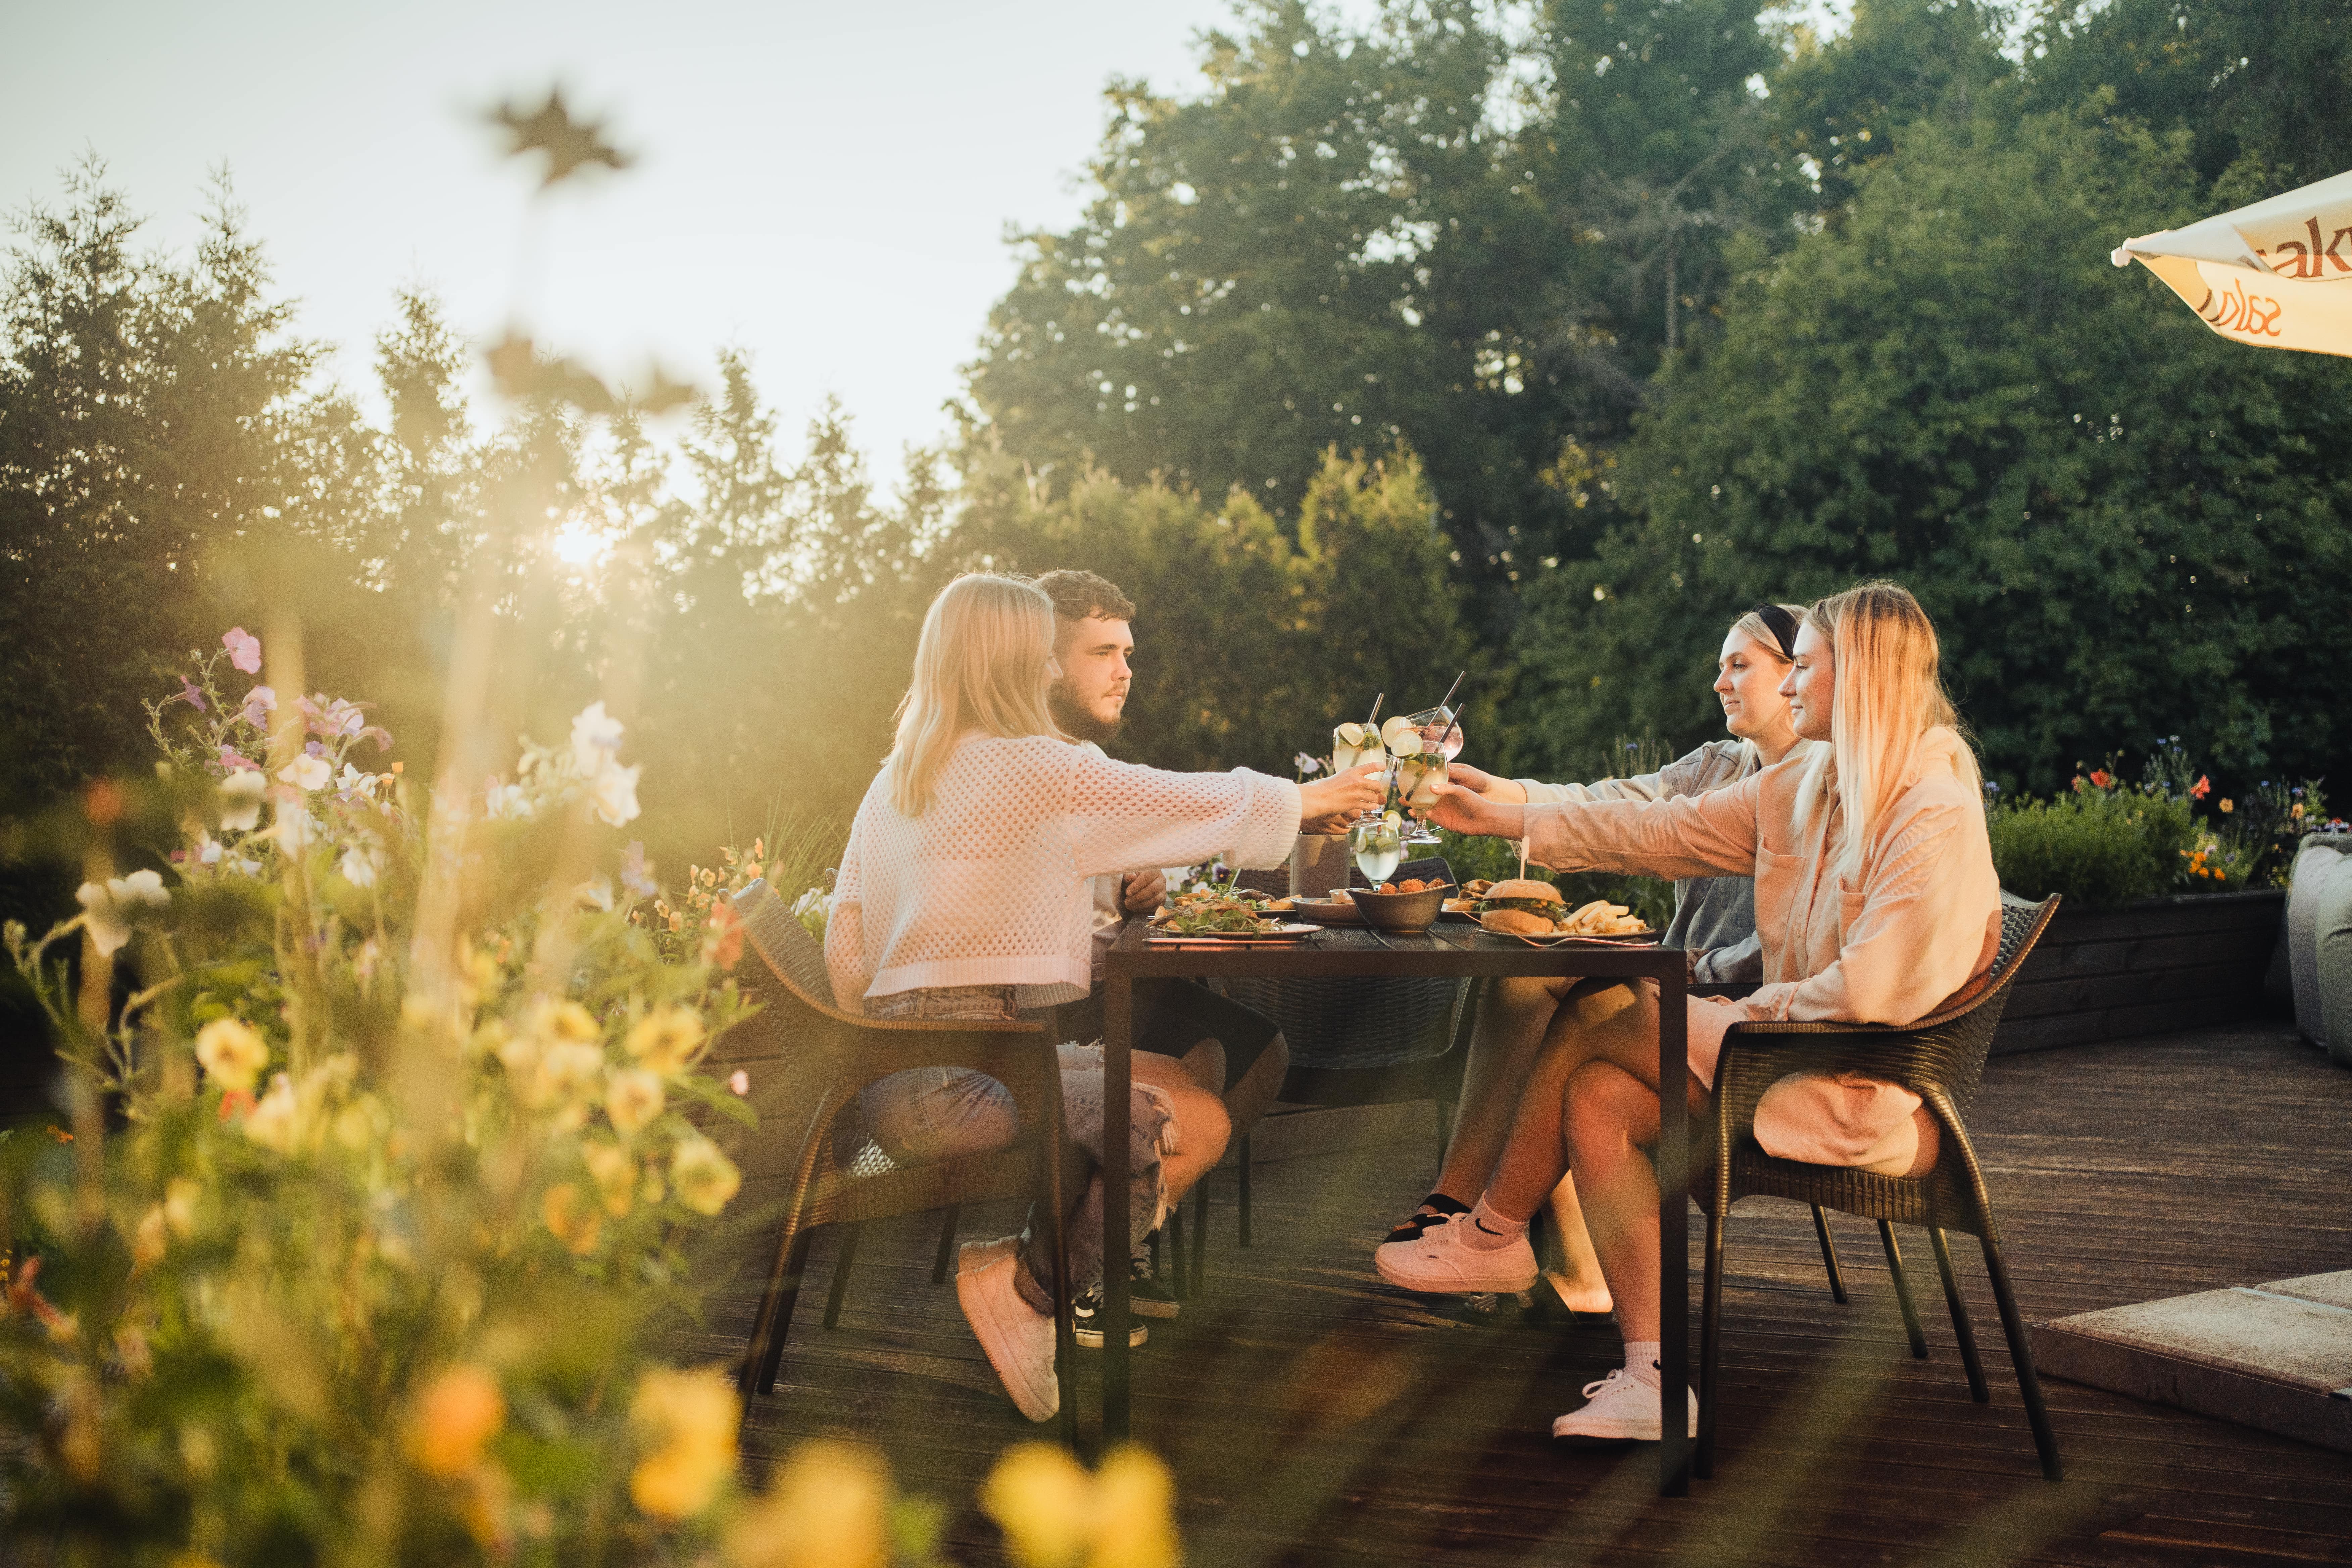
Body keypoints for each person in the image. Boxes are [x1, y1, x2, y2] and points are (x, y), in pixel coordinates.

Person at [1385, 581, 2000, 1444]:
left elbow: (1869, 991)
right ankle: (1655, 1377)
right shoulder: (1810, 784)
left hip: (1858, 1085)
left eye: (1805, 666)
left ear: (1857, 675)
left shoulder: (1933, 808)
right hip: (1782, 1057)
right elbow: (1655, 827)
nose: (1789, 687)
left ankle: (1494, 1229)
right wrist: (1495, 814)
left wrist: (1747, 1009)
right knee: (1597, 1090)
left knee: (1605, 1012)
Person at [825, 572, 1383, 1423]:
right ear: (1022, 662)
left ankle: (1033, 1272)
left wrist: (899, 1034)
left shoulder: (896, 780)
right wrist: (1311, 800)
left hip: (889, 1088)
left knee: (1182, 1076)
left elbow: (846, 947)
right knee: (1167, 1120)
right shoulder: (1039, 768)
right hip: (966, 1089)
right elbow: (1188, 798)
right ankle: (1030, 1286)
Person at [1381, 605, 1812, 1317]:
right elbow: (1618, 804)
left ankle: (1482, 1227)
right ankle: (1505, 1231)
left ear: (1799, 673)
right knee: (1525, 984)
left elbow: (1797, 942)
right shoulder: (1719, 765)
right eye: (1720, 665)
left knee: (1573, 1002)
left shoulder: (1820, 787)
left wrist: (1687, 964)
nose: (1720, 682)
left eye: (1741, 664)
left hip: (1742, 1011)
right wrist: (1502, 795)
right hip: (1676, 981)